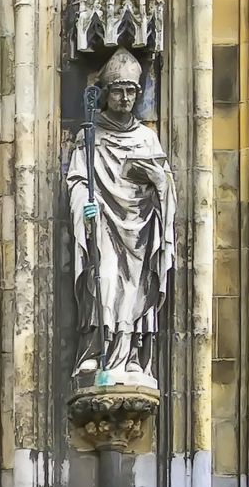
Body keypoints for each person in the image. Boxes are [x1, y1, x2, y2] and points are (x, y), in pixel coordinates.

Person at [64, 46, 175, 385]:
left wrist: (158, 180)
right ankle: (96, 353)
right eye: (118, 90)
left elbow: (166, 187)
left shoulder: (147, 139)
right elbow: (78, 181)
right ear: (106, 93)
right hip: (104, 225)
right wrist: (84, 203)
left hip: (140, 230)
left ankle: (131, 359)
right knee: (106, 280)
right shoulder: (89, 137)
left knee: (134, 292)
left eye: (131, 91)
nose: (125, 97)